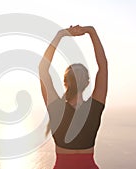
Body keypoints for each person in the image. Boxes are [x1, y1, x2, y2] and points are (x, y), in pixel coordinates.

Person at [39, 25, 108, 169]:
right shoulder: (56, 107)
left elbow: (103, 67)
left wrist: (91, 31)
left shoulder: (93, 107)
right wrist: (59, 35)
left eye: (79, 71)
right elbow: (43, 69)